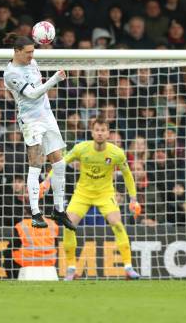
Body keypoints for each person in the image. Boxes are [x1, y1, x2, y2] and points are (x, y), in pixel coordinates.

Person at [2, 32, 75, 230]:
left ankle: (59, 210)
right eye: (27, 53)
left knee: (59, 164)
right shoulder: (11, 74)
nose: (31, 56)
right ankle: (35, 213)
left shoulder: (32, 63)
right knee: (36, 164)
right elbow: (33, 94)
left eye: (33, 52)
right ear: (16, 52)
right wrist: (55, 79)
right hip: (31, 121)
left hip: (47, 116)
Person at [59, 117, 141, 280]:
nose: (100, 133)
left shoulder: (116, 153)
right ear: (92, 132)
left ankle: (128, 267)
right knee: (68, 225)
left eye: (103, 130)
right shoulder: (81, 148)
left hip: (105, 195)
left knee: (117, 224)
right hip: (82, 194)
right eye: (97, 130)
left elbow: (127, 175)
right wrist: (47, 181)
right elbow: (61, 164)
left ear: (108, 133)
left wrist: (133, 199)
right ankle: (71, 268)